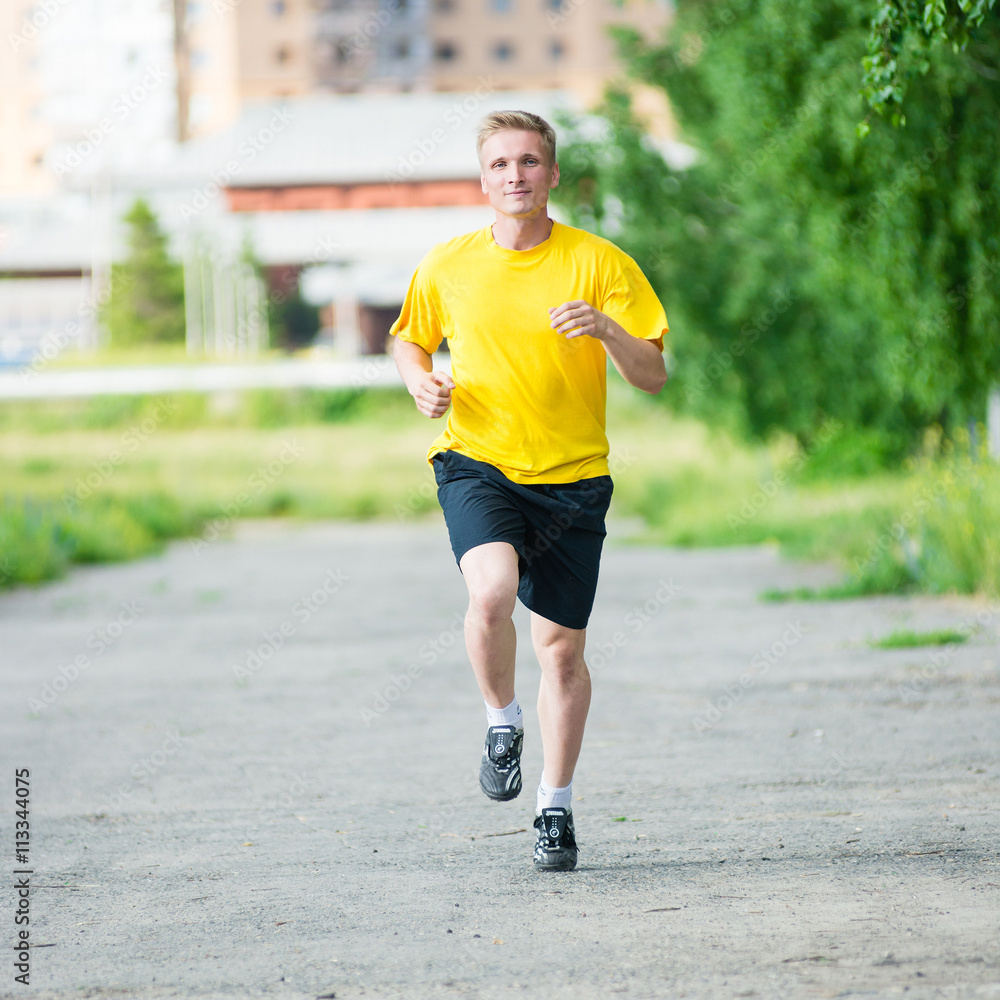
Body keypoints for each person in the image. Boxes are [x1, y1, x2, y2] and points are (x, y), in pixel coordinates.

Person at [390, 110, 668, 871]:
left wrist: (609, 332)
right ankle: (501, 720)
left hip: (574, 479)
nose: (515, 175)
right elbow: (408, 337)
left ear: (552, 174)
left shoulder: (600, 263)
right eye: (500, 164)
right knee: (491, 592)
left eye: (529, 162)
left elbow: (653, 375)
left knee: (563, 656)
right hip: (476, 460)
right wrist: (421, 381)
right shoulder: (448, 263)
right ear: (483, 179)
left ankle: (555, 808)